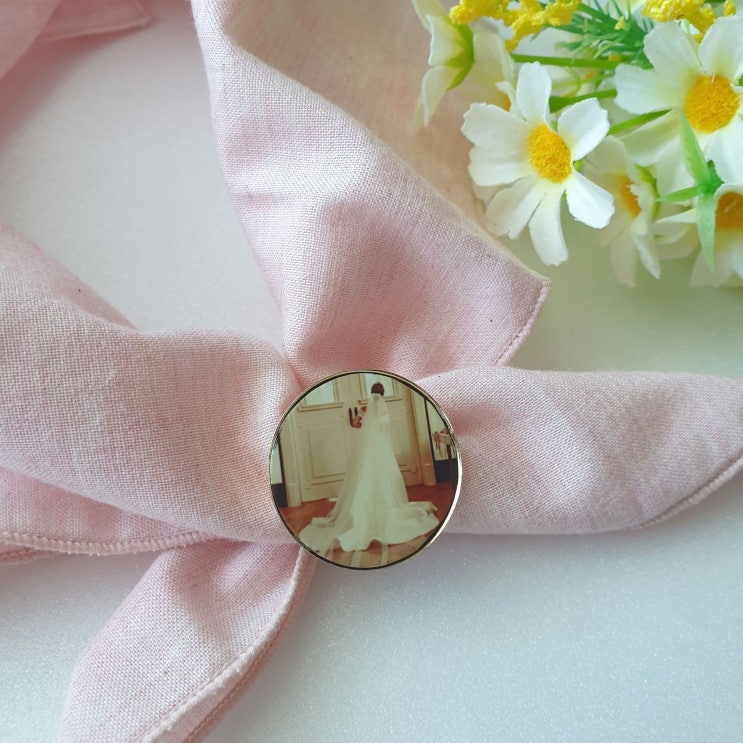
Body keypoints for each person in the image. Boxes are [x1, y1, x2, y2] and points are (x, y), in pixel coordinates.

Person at [298, 382, 439, 559]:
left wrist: (363, 422)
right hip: (381, 449)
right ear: (383, 394)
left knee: (363, 477)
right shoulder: (385, 410)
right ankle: (385, 505)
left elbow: (355, 424)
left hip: (366, 449)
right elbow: (385, 431)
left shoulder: (365, 408)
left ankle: (358, 511)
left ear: (371, 393)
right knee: (383, 477)